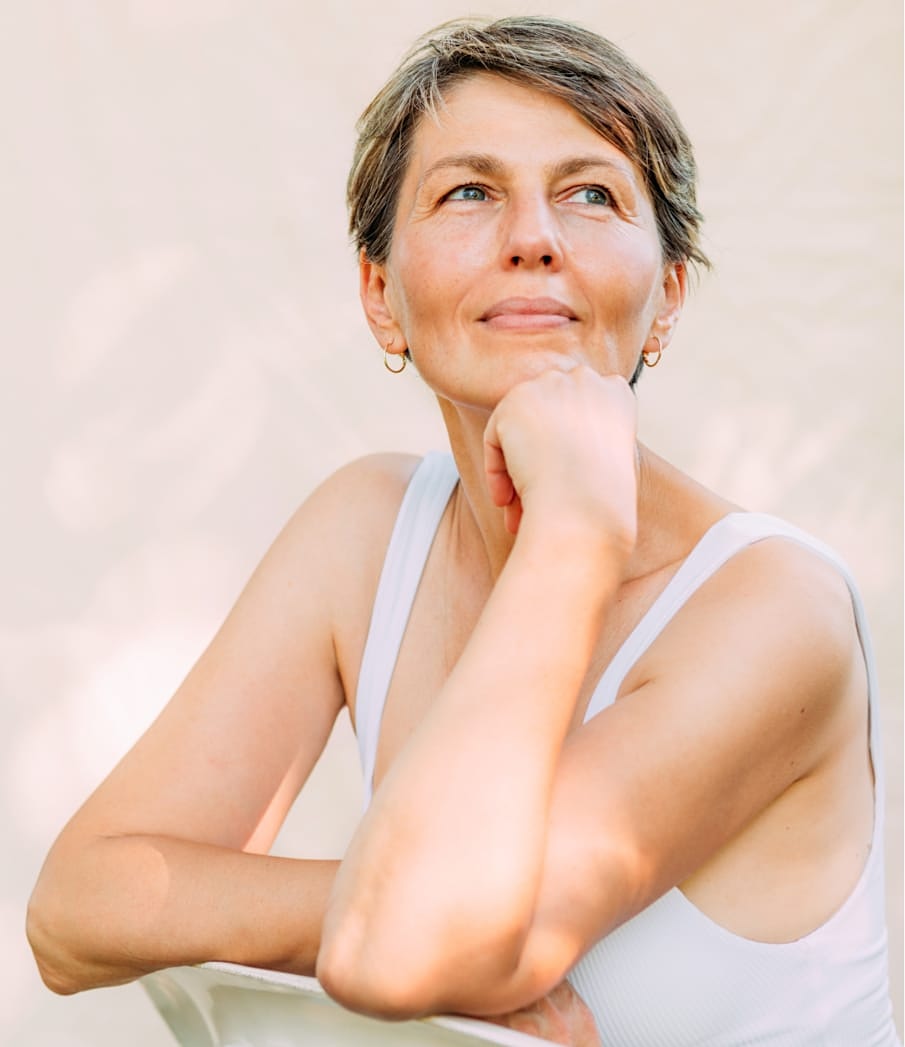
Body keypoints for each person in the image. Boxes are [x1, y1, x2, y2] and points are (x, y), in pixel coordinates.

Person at [27, 16, 900, 1046]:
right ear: (379, 297)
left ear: (664, 296)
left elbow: (402, 952)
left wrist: (572, 527)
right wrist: (392, 907)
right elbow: (74, 911)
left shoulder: (771, 608)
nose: (532, 237)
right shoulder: (364, 531)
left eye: (590, 194)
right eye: (468, 192)